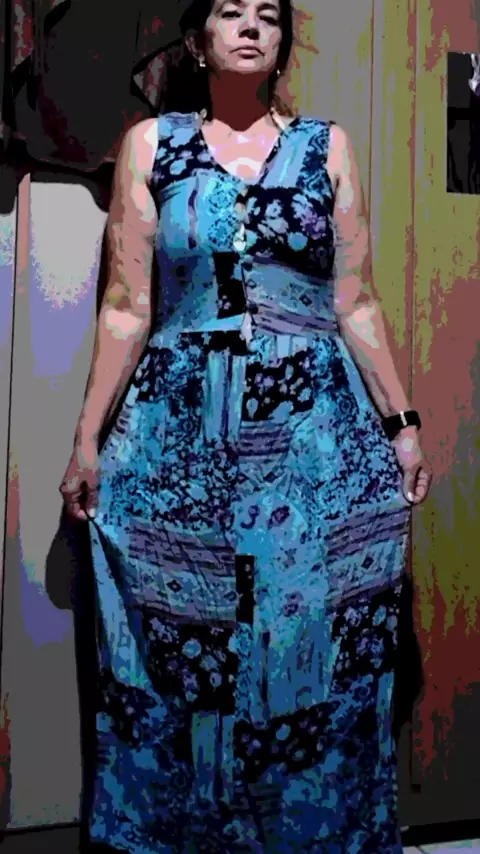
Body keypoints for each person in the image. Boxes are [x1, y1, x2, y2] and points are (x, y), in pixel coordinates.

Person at [60, 0, 432, 851]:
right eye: (233, 11)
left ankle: (310, 833)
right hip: (179, 437)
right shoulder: (152, 146)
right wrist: (86, 438)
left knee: (308, 642)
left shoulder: (326, 148)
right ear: (199, 40)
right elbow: (126, 306)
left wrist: (402, 422)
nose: (252, 27)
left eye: (269, 14)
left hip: (314, 443)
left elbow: (356, 301)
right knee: (185, 644)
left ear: (282, 43)